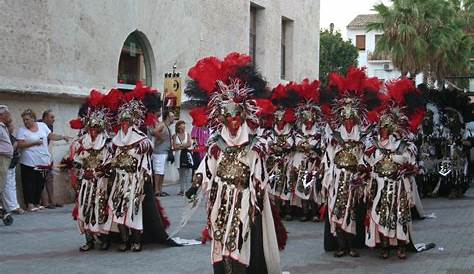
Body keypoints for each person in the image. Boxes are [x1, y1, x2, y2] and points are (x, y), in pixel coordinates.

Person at [185, 52, 282, 274]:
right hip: (220, 198)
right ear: (222, 119)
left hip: (245, 198)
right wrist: (195, 185)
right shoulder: (215, 144)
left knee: (241, 240)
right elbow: (206, 168)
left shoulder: (255, 144)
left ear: (244, 116)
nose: (233, 123)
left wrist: (256, 190)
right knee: (220, 238)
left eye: (237, 117)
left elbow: (259, 172)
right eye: (228, 118)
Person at [365, 79, 424, 259]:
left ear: (392, 129)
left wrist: (408, 170)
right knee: (381, 214)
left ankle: (400, 246)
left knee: (399, 216)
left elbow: (413, 164)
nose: (383, 131)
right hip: (380, 186)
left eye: (386, 128)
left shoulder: (402, 145)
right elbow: (367, 162)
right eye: (381, 127)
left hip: (398, 187)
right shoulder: (372, 145)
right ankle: (384, 245)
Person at [72, 106, 113, 251]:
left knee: (101, 208)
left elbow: (110, 163)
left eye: (96, 128)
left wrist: (102, 172)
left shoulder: (107, 143)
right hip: (86, 182)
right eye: (91, 127)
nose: (93, 131)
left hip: (101, 183)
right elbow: (77, 161)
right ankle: (88, 240)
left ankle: (104, 239)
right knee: (84, 208)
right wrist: (78, 175)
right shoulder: (82, 142)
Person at [16, 109, 70, 212]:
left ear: (33, 118)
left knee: (39, 183)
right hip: (28, 162)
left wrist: (62, 137)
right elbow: (19, 144)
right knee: (29, 184)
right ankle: (30, 204)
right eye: (24, 120)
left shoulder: (42, 126)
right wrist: (34, 143)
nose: (25, 122)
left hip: (42, 161)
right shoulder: (22, 130)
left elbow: (50, 136)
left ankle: (36, 203)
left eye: (27, 119)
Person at [38, 109, 63, 208]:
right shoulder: (38, 125)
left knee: (50, 178)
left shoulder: (49, 126)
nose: (54, 119)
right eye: (51, 117)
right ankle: (45, 202)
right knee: (41, 178)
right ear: (45, 118)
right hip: (38, 157)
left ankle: (52, 201)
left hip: (46, 155)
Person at [150, 110, 175, 197]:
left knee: (162, 172)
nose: (173, 118)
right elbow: (154, 131)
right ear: (167, 117)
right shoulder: (162, 124)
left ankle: (160, 189)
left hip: (164, 152)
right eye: (172, 116)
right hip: (159, 152)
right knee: (158, 172)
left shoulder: (167, 126)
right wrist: (161, 138)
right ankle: (156, 190)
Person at [3, 119, 24, 214]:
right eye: (11, 126)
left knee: (11, 185)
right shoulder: (6, 137)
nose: (13, 127)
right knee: (7, 186)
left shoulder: (10, 137)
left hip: (12, 164)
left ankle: (13, 206)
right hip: (6, 164)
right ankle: (12, 207)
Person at [0, 105, 14, 219]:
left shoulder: (3, 126)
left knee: (2, 184)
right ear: (1, 115)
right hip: (1, 158)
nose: (9, 116)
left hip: (5, 158)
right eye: (7, 114)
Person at [172, 120, 192, 195]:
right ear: (178, 126)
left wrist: (180, 146)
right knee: (181, 173)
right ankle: (182, 189)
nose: (183, 126)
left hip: (186, 155)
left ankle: (188, 189)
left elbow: (189, 144)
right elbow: (174, 147)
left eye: (184, 124)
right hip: (178, 156)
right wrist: (184, 146)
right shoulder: (175, 135)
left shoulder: (187, 134)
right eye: (182, 124)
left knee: (188, 172)